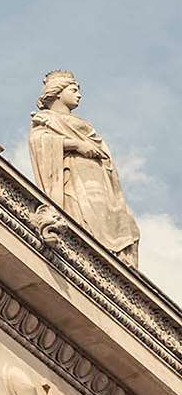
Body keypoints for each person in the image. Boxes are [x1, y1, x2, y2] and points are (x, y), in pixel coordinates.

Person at [28, 70, 142, 267]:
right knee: (84, 221)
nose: (79, 95)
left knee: (125, 226)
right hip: (74, 179)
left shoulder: (84, 125)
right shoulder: (47, 120)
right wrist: (75, 145)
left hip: (99, 181)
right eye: (73, 90)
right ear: (57, 93)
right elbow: (39, 141)